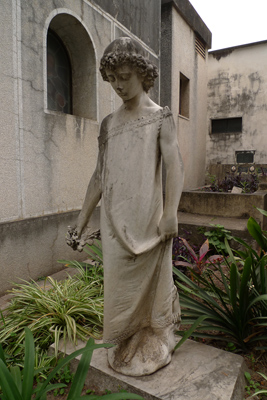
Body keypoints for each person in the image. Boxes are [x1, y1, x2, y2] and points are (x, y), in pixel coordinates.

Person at [74, 37, 184, 376]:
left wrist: (170, 212)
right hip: (114, 223)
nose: (119, 85)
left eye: (125, 76)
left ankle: (155, 336)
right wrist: (81, 220)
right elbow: (98, 176)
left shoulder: (159, 117)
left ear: (142, 73)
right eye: (113, 78)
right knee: (119, 289)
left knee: (153, 287)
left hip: (149, 220)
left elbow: (175, 165)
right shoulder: (109, 124)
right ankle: (126, 339)